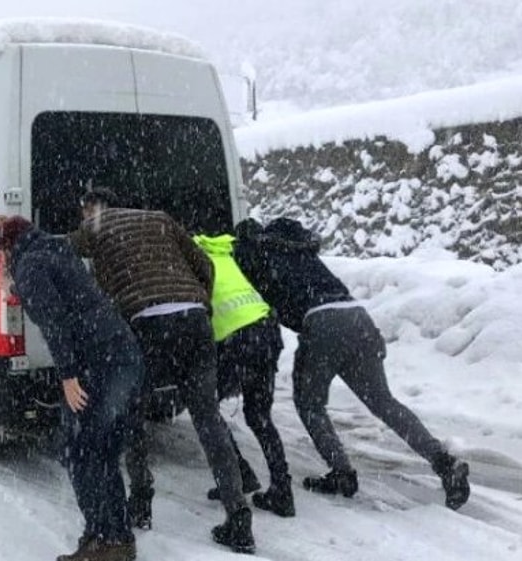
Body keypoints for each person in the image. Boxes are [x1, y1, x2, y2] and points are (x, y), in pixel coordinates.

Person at [234, 217, 471, 510]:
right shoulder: (301, 251)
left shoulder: (259, 254)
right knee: (384, 402)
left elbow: (261, 293)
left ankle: (342, 473)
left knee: (310, 404)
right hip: (357, 316)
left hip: (322, 322)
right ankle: (445, 462)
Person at [70, 188, 255, 554]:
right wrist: (197, 300)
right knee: (208, 418)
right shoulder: (159, 217)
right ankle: (237, 514)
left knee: (132, 412)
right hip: (194, 321)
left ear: (92, 208)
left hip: (146, 324)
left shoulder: (95, 224)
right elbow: (206, 264)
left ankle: (141, 500)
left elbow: (62, 248)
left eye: (84, 211)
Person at [0, 214, 143, 561]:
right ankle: (109, 536)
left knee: (81, 450)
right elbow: (58, 296)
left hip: (99, 362)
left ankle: (108, 540)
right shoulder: (55, 249)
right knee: (100, 449)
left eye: (1, 252)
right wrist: (15, 287)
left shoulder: (29, 264)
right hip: (122, 354)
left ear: (8, 247)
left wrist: (69, 376)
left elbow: (55, 321)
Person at [194, 233, 294, 518]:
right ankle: (282, 490)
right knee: (259, 416)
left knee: (205, 407)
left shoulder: (191, 259)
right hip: (266, 330)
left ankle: (239, 474)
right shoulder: (224, 254)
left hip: (236, 338)